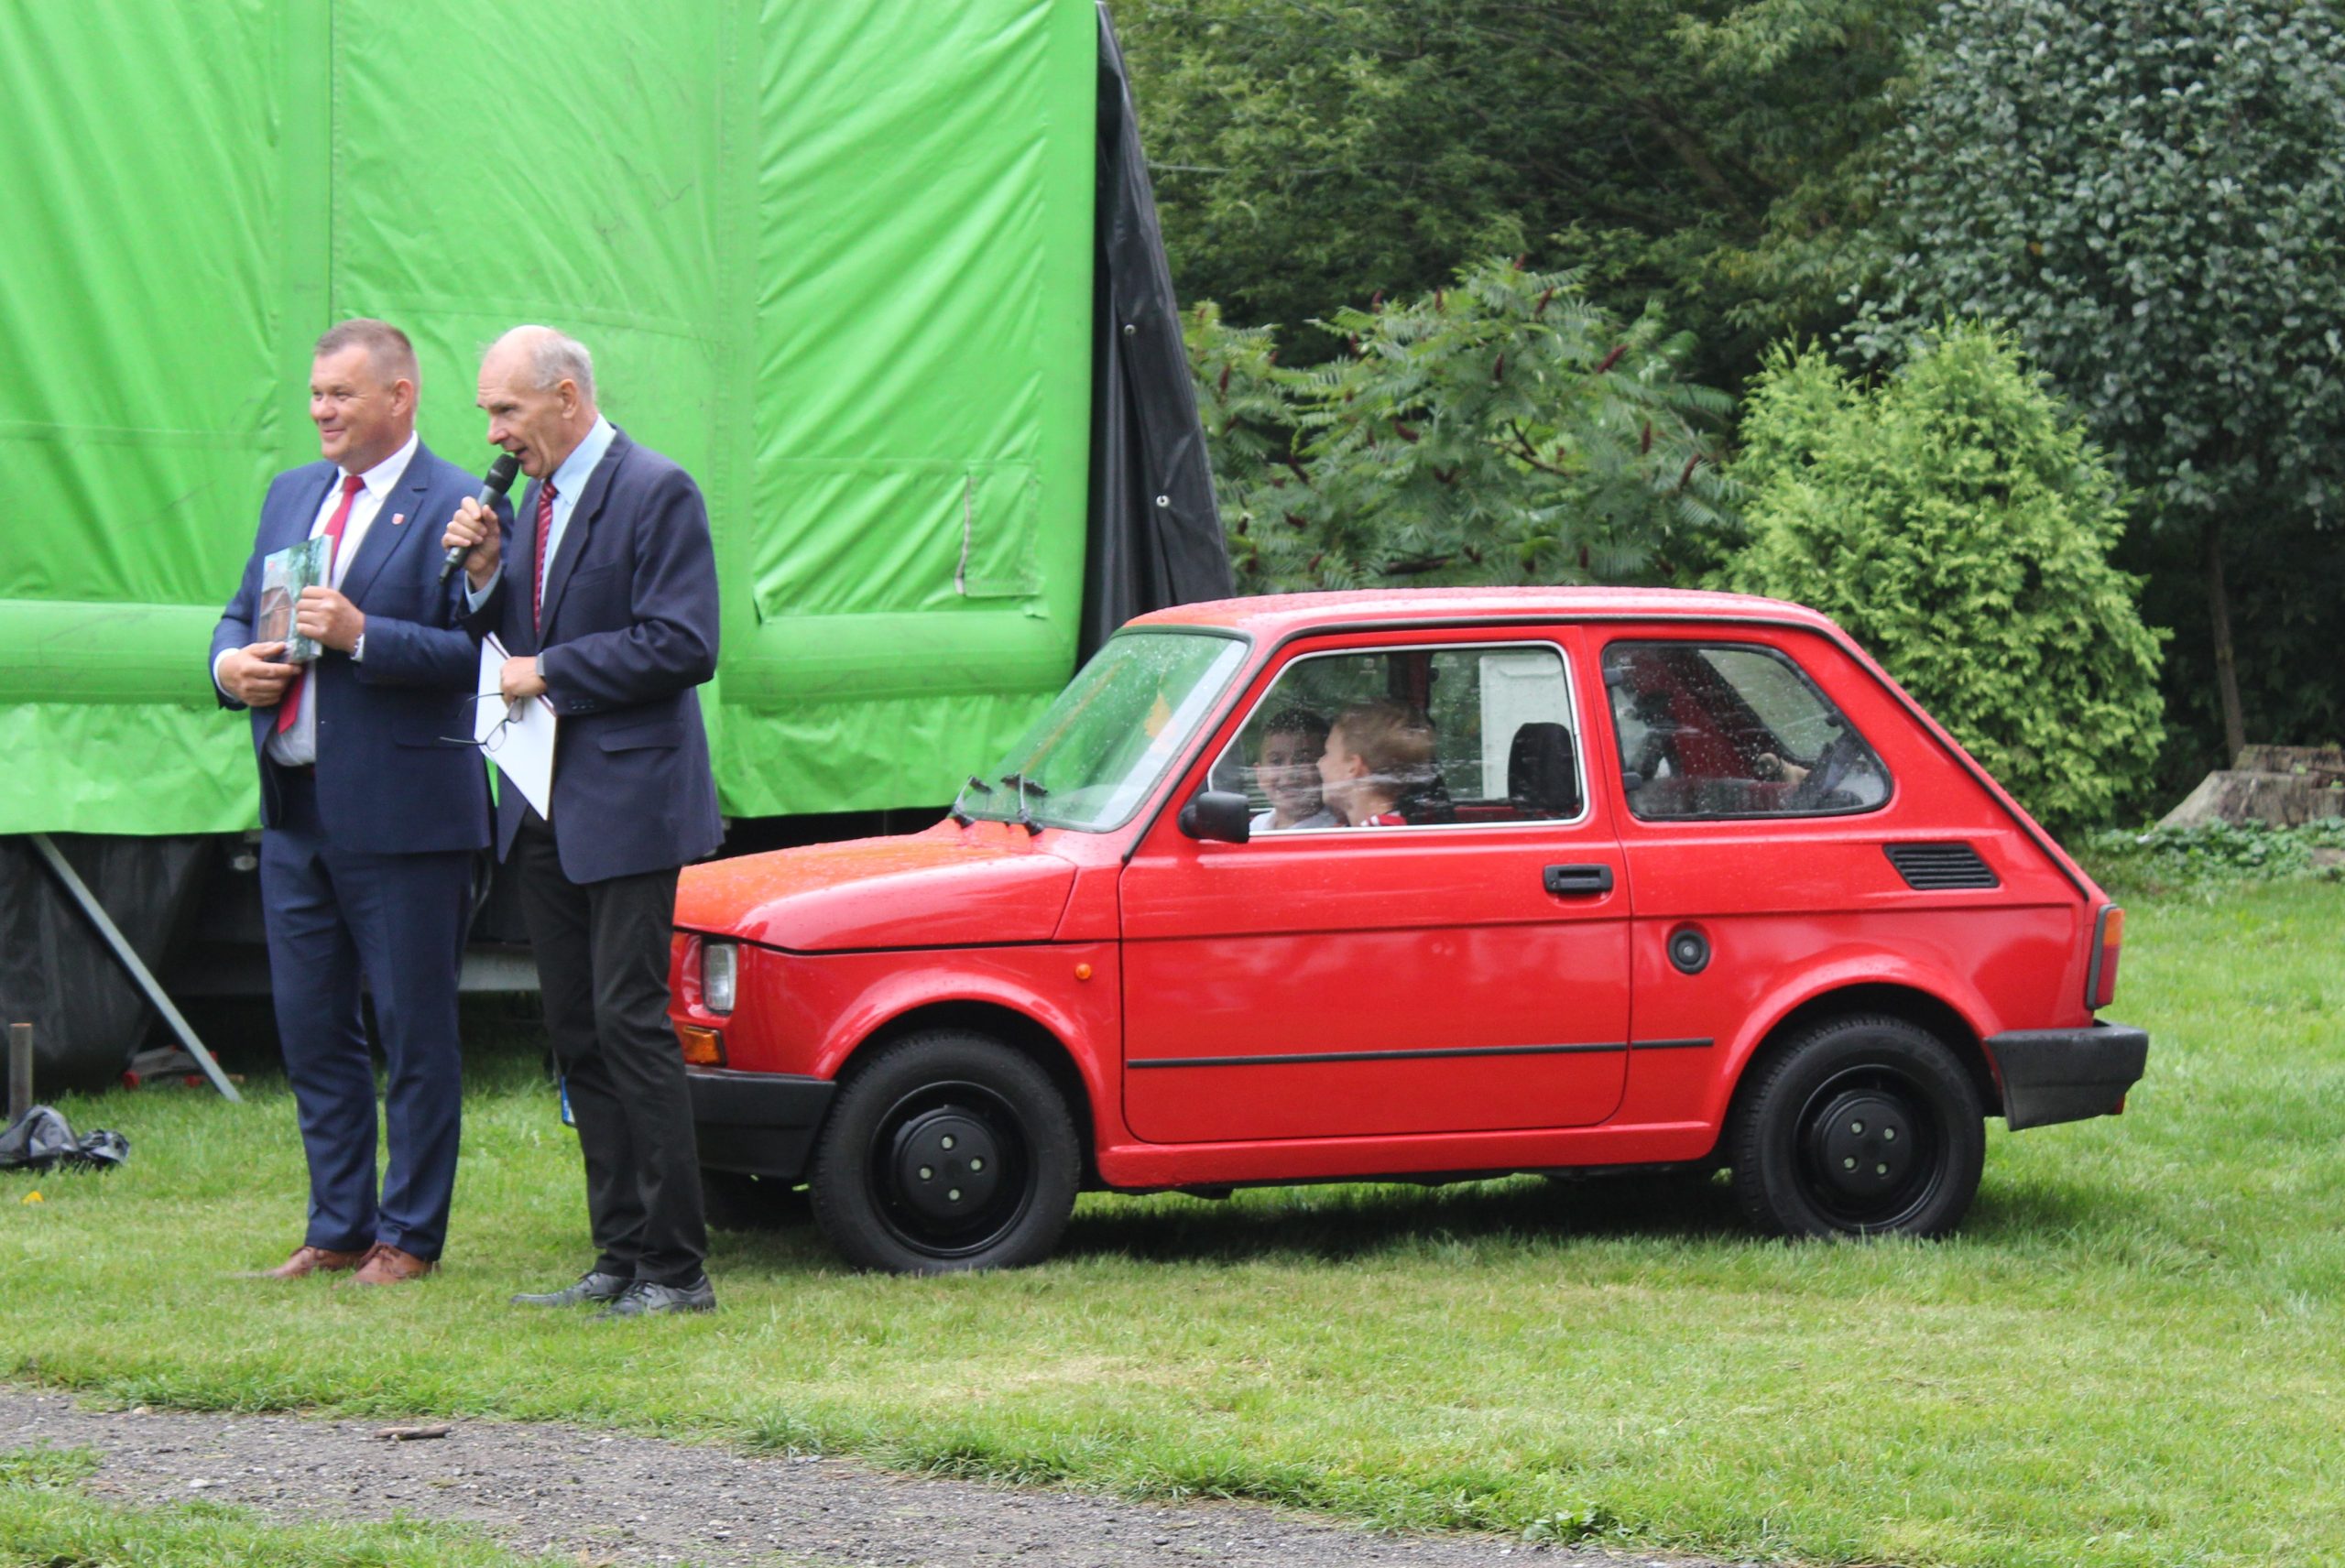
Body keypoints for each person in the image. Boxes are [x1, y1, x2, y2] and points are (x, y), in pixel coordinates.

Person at [209, 319, 500, 1285]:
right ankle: (337, 1223)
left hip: (409, 820)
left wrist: (367, 634)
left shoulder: (459, 501)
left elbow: (480, 659)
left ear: (399, 397)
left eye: (339, 393)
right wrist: (228, 666)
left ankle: (409, 1236)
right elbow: (235, 610)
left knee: (414, 1033)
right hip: (297, 809)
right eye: (316, 391)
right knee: (311, 1027)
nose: (319, 409)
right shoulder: (293, 493)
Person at [440, 326, 723, 1318]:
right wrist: (482, 575)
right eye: (487, 412)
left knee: (630, 1022)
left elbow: (684, 642)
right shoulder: (534, 505)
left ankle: (678, 1271)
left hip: (631, 804)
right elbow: (506, 635)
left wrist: (550, 669)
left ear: (564, 397)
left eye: (506, 410)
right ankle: (618, 1255)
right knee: (576, 1031)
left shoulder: (655, 489)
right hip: (544, 799)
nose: (493, 431)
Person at [1317, 698, 1436, 827]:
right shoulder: (1368, 832)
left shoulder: (1381, 839)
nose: (1319, 763)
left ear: (1352, 766)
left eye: (1327, 753)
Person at [1249, 706, 1337, 832]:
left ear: (1326, 768)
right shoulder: (1255, 828)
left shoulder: (1336, 830)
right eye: (1276, 761)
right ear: (1259, 773)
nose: (1288, 774)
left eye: (1303, 760)